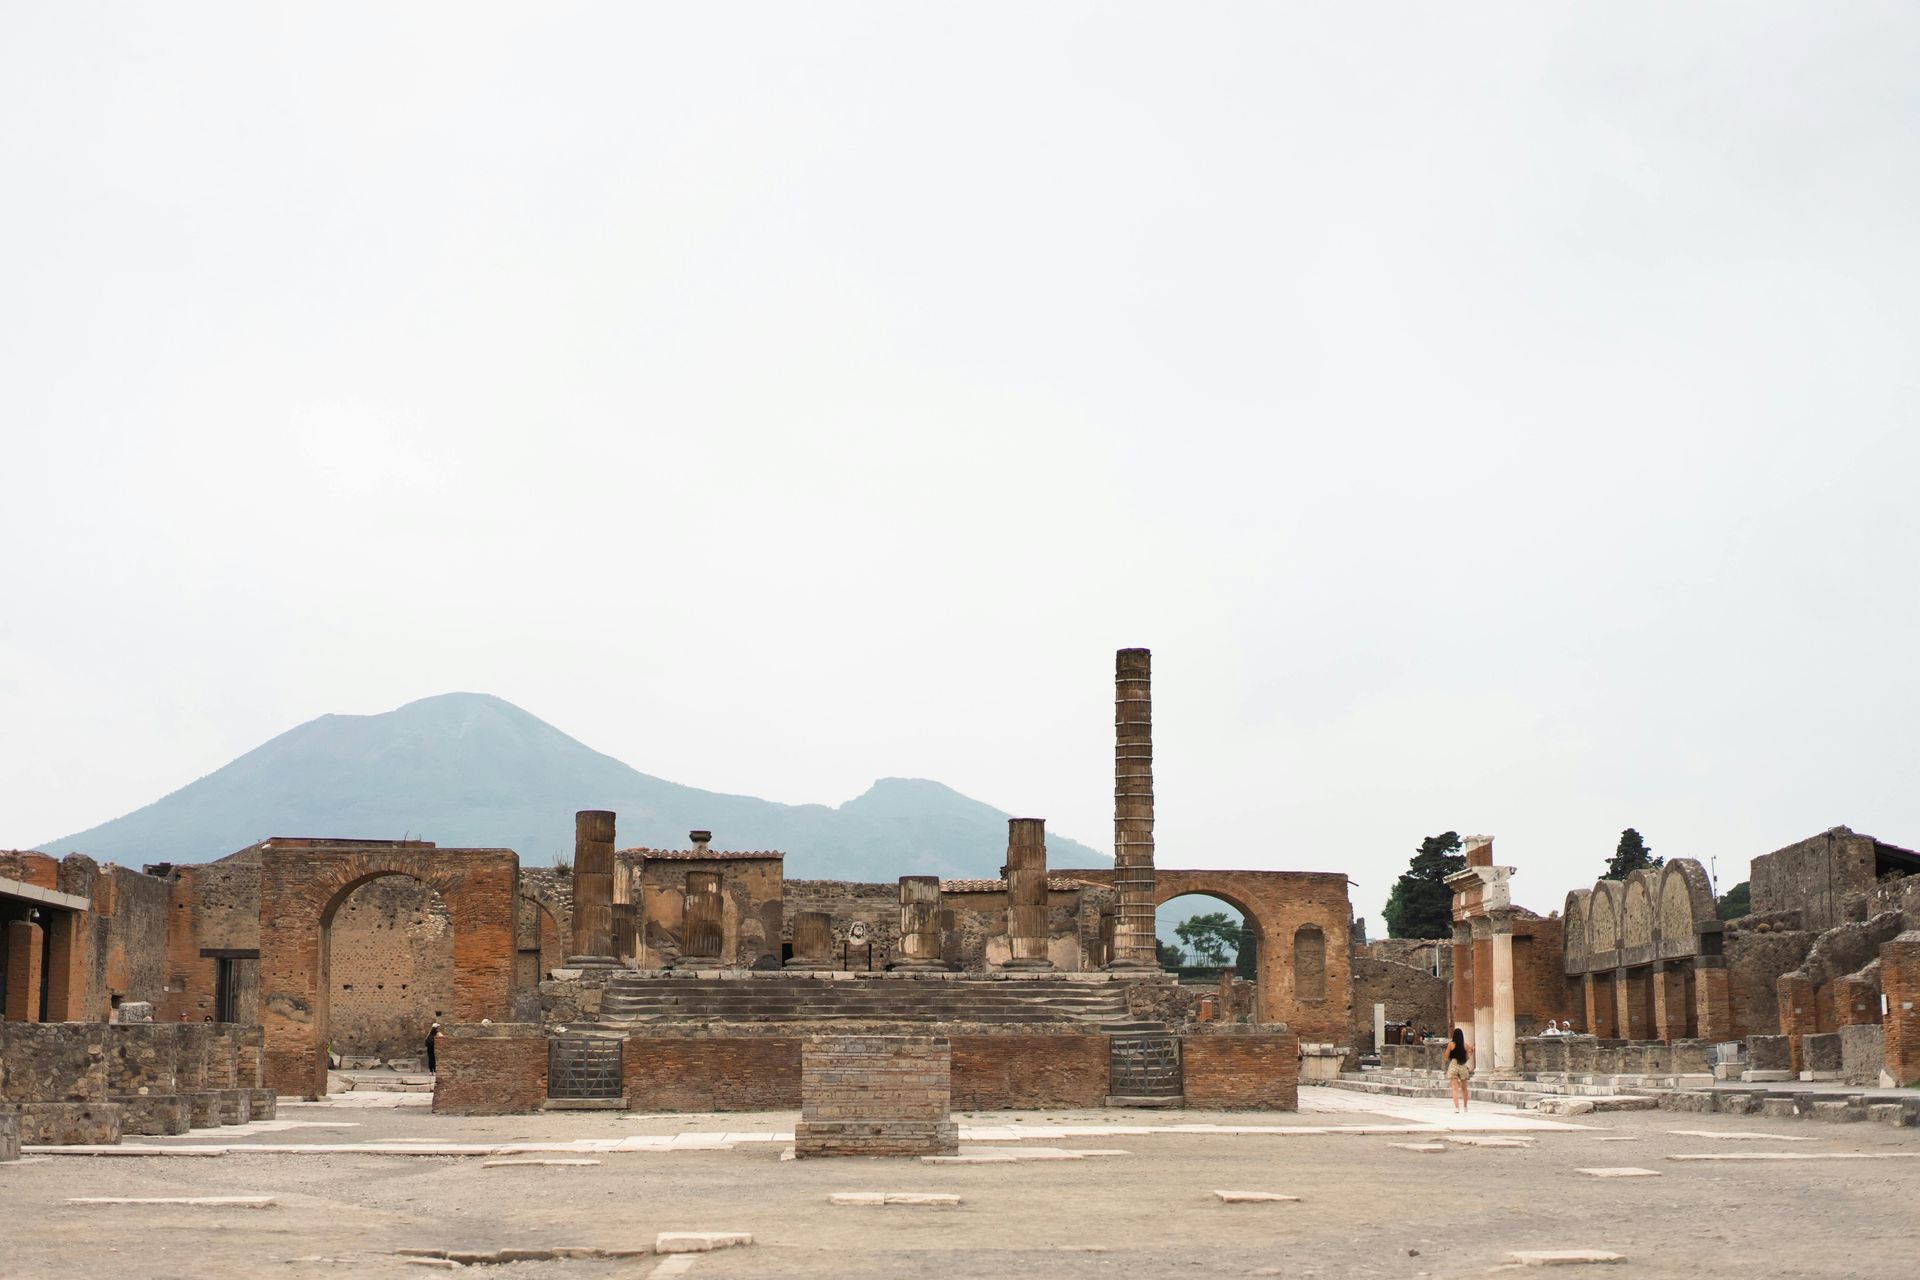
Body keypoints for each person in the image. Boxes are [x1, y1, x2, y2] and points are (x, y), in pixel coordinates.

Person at [1446, 1028, 1473, 1112]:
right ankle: (1465, 1107)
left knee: (1455, 1088)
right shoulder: (1465, 1045)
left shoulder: (1451, 1044)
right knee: (1464, 1088)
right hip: (1462, 1065)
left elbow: (1446, 1056)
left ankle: (1457, 1107)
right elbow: (1468, 1056)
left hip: (1454, 1064)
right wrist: (1470, 1052)